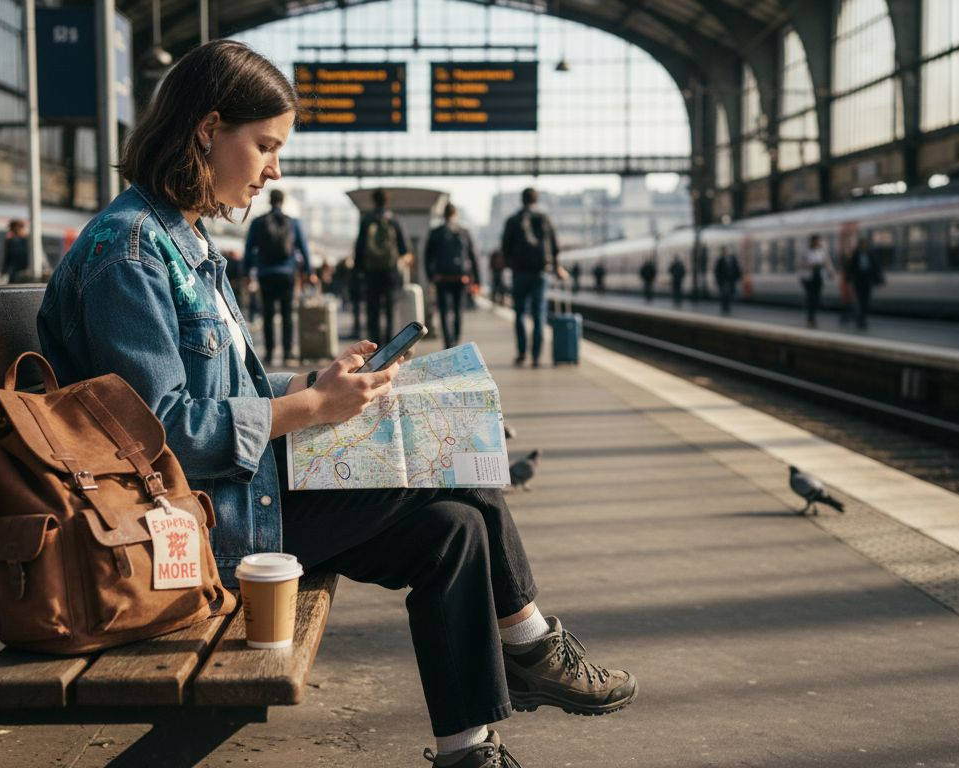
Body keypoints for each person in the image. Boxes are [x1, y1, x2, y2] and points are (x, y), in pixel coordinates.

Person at [35, 41, 635, 767]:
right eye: (265, 145)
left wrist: (312, 384)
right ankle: (530, 643)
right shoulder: (130, 253)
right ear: (207, 128)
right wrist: (315, 408)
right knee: (456, 451)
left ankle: (468, 749)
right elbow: (160, 434)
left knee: (452, 527)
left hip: (236, 493)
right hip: (192, 534)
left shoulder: (178, 239)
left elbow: (225, 394)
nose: (273, 170)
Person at [245, 188, 313, 364]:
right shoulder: (293, 223)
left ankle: (268, 353)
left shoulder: (258, 222)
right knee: (287, 314)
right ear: (282, 202)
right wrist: (308, 272)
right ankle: (288, 353)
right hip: (287, 274)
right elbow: (304, 250)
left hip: (265, 273)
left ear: (270, 200)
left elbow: (248, 250)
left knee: (267, 314)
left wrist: (247, 272)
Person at [501, 188, 568, 368]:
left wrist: (510, 264)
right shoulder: (545, 219)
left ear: (521, 200)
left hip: (520, 273)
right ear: (536, 200)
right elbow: (555, 246)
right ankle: (537, 355)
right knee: (539, 314)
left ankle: (522, 352)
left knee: (520, 313)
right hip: (540, 273)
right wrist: (557, 267)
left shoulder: (513, 220)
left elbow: (505, 247)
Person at [354, 188, 411, 345]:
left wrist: (359, 272)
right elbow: (404, 248)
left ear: (373, 201)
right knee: (390, 308)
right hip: (390, 271)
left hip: (371, 272)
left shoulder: (367, 220)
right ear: (387, 201)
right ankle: (390, 345)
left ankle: (375, 345)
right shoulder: (394, 220)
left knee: (373, 309)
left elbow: (359, 248)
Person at [425, 202, 481, 349]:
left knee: (444, 311)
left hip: (442, 277)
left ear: (444, 215)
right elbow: (473, 256)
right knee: (458, 311)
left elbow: (427, 256)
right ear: (456, 214)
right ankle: (455, 340)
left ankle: (448, 342)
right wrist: (477, 280)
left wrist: (431, 277)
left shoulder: (436, 232)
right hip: (461, 278)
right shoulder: (464, 231)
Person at [843, 236, 884, 330]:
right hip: (858, 281)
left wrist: (879, 281)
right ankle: (860, 320)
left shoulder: (870, 255)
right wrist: (849, 280)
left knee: (866, 301)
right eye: (862, 245)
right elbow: (849, 268)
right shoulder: (855, 255)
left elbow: (876, 268)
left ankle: (863, 319)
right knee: (860, 301)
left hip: (868, 281)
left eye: (865, 245)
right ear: (859, 246)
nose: (864, 246)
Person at [800, 234, 834, 328]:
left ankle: (812, 317)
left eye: (818, 241)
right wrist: (809, 265)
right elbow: (799, 263)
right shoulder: (805, 251)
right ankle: (811, 319)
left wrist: (831, 272)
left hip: (818, 276)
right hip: (808, 277)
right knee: (811, 297)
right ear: (812, 241)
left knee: (816, 298)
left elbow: (827, 262)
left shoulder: (822, 251)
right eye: (816, 241)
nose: (817, 242)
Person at [713, 247, 741, 315]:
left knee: (729, 294)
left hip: (730, 281)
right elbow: (717, 271)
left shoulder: (732, 259)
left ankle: (727, 308)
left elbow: (737, 269)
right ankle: (725, 308)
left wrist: (737, 277)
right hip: (723, 281)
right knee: (724, 294)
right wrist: (719, 280)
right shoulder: (720, 260)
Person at [1, 219, 31, 283]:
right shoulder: (10, 242)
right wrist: (2, 274)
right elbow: (6, 260)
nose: (13, 232)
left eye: (14, 230)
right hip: (15, 277)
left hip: (26, 277)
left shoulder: (29, 241)